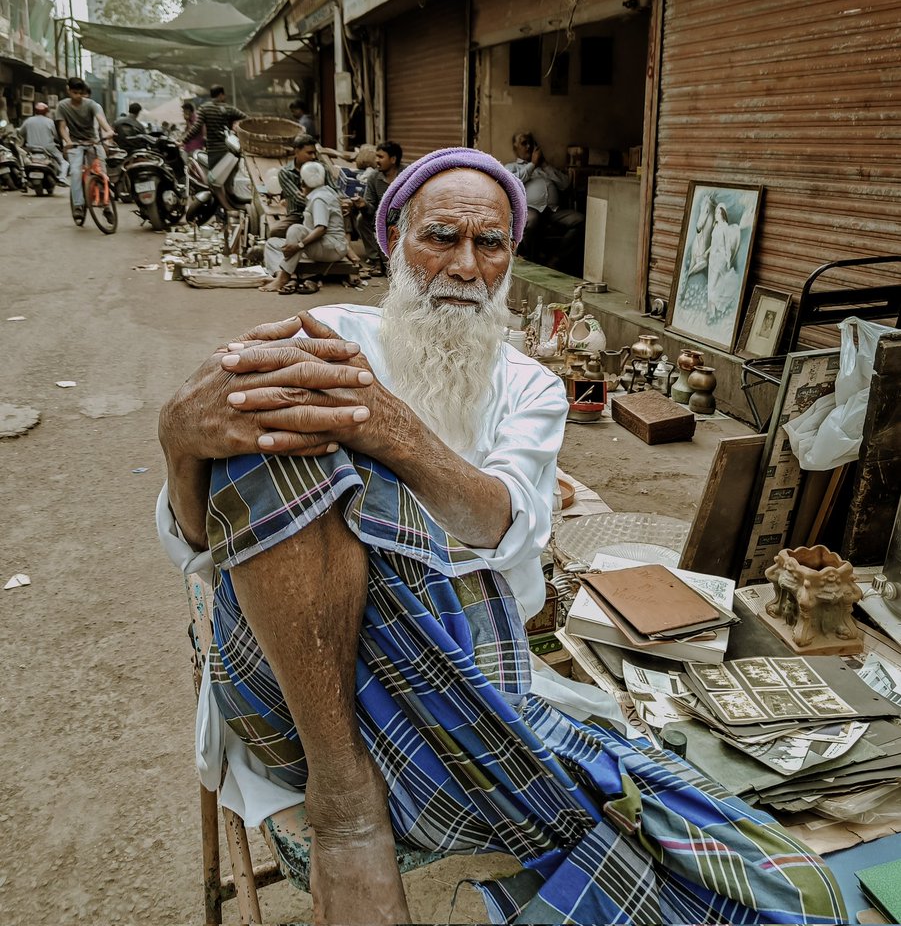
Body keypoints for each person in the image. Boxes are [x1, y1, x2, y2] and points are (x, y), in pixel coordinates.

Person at [157, 147, 843, 926]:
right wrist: (179, 445)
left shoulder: (529, 385)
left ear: (509, 260)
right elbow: (202, 540)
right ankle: (345, 806)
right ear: (393, 243)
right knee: (278, 441)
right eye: (440, 237)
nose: (464, 266)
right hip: (302, 681)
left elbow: (500, 526)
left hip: (462, 666)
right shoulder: (330, 338)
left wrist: (394, 435)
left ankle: (367, 796)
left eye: (490, 245)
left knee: (770, 886)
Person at [261, 161, 349, 293]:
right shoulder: (321, 193)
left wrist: (299, 246)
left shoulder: (320, 199)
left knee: (296, 229)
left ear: (303, 182)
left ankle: (283, 278)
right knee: (272, 243)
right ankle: (279, 274)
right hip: (323, 246)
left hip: (331, 248)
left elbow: (321, 229)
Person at [505, 131, 585, 270]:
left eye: (531, 143)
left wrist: (545, 165)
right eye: (524, 143)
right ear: (515, 147)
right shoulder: (512, 167)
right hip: (530, 209)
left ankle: (556, 259)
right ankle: (526, 260)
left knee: (580, 220)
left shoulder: (544, 168)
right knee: (532, 219)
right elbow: (513, 183)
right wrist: (533, 165)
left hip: (553, 211)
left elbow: (565, 184)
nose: (529, 146)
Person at [55, 78, 116, 223]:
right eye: (74, 92)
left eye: (79, 93)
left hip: (93, 142)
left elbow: (101, 120)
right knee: (75, 172)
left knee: (101, 173)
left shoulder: (91, 105)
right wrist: (68, 142)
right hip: (75, 144)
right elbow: (62, 127)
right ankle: (78, 205)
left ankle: (106, 206)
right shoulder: (62, 106)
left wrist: (108, 131)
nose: (77, 96)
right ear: (68, 90)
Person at [356, 140, 403, 264]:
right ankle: (374, 259)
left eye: (381, 157)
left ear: (393, 159)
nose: (376, 160)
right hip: (381, 219)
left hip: (402, 219)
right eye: (376, 156)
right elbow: (371, 208)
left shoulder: (407, 175)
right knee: (361, 220)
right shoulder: (373, 177)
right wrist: (364, 205)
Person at [270, 133, 319, 239]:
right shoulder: (286, 173)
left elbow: (334, 188)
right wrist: (320, 205)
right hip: (298, 216)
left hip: (320, 214)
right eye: (309, 153)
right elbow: (298, 198)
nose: (313, 157)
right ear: (297, 152)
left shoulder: (320, 168)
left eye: (314, 153)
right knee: (275, 232)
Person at [195, 85, 246, 171]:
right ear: (221, 95)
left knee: (213, 178)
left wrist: (183, 141)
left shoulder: (204, 108)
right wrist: (236, 126)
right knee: (228, 179)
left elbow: (196, 127)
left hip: (213, 150)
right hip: (228, 151)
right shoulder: (229, 108)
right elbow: (247, 119)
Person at [19, 102, 68, 184]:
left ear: (35, 111)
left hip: (31, 147)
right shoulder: (49, 121)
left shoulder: (28, 121)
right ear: (46, 112)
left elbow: (21, 133)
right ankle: (62, 178)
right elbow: (55, 135)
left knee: (22, 159)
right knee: (64, 162)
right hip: (48, 147)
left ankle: (23, 178)